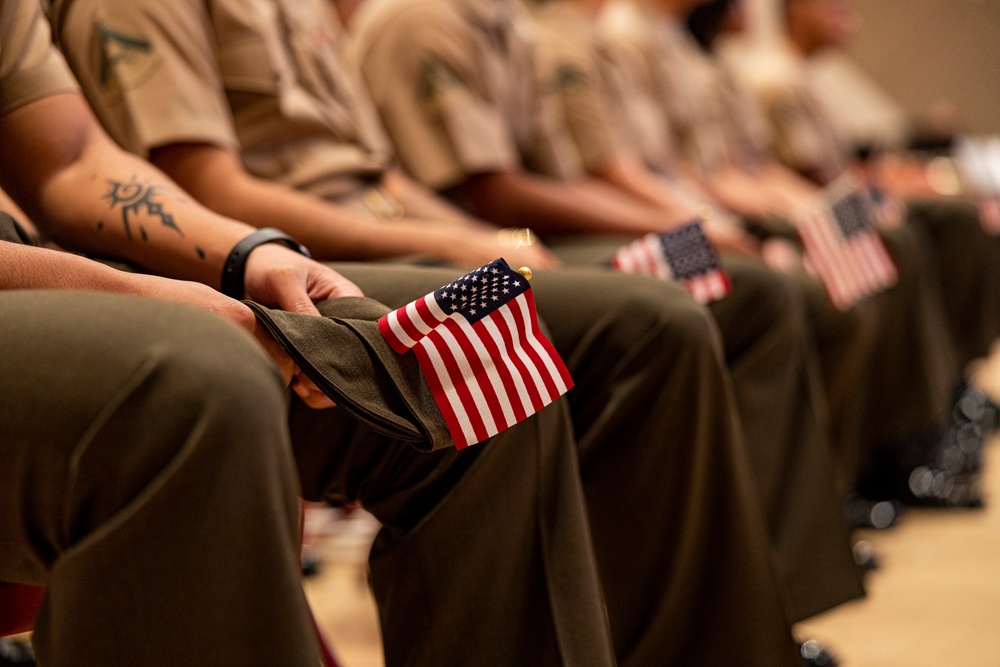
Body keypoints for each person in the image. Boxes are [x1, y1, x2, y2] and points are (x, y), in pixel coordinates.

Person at [42, 1, 809, 664]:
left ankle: (730, 622)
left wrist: (486, 239)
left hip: (387, 239)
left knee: (705, 288)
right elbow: (206, 184)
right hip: (302, 253)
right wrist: (469, 241)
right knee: (627, 320)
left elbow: (387, 177)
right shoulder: (421, 17)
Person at [348, 0, 864, 637]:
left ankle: (763, 586)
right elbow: (491, 190)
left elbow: (588, 175)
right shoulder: (428, 18)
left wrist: (687, 220)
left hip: (507, 240)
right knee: (694, 306)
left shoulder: (513, 27)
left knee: (752, 288)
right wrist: (676, 222)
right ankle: (717, 610)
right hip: (466, 247)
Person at [751, 0, 1000, 502]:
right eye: (836, 9)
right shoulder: (772, 76)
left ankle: (939, 404)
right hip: (760, 210)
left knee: (932, 224)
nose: (851, 21)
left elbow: (832, 169)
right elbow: (807, 175)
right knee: (894, 241)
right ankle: (900, 445)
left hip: (778, 201)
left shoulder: (798, 75)